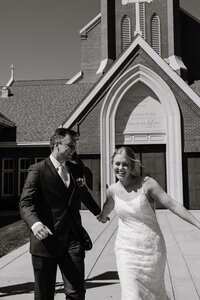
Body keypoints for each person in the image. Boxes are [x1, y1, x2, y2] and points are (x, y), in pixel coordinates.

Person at [97, 146, 200, 300]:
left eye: (125, 164)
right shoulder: (112, 190)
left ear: (132, 166)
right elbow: (108, 206)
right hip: (125, 250)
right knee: (130, 294)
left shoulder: (147, 184)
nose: (120, 168)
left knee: (155, 294)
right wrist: (103, 216)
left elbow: (173, 205)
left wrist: (198, 224)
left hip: (151, 250)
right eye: (117, 164)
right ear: (112, 164)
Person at [19, 128, 101, 300]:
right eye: (70, 145)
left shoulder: (75, 169)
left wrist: (98, 212)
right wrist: (36, 224)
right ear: (57, 145)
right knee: (44, 295)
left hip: (72, 239)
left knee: (76, 293)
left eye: (75, 146)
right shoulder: (38, 170)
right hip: (46, 241)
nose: (74, 150)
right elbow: (25, 203)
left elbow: (82, 192)